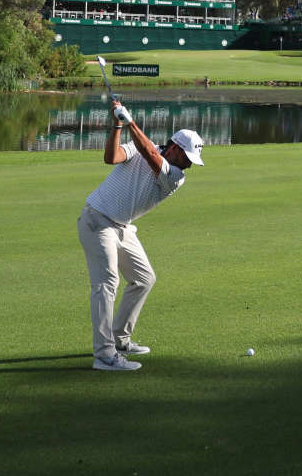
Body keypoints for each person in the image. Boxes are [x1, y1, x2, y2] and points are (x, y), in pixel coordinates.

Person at [77, 100, 207, 371]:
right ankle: (104, 354)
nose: (190, 166)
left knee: (144, 278)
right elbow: (111, 157)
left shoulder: (175, 176)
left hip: (122, 227)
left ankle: (119, 339)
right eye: (187, 158)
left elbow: (149, 153)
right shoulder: (140, 150)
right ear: (174, 148)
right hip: (97, 221)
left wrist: (131, 121)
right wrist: (118, 124)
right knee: (107, 283)